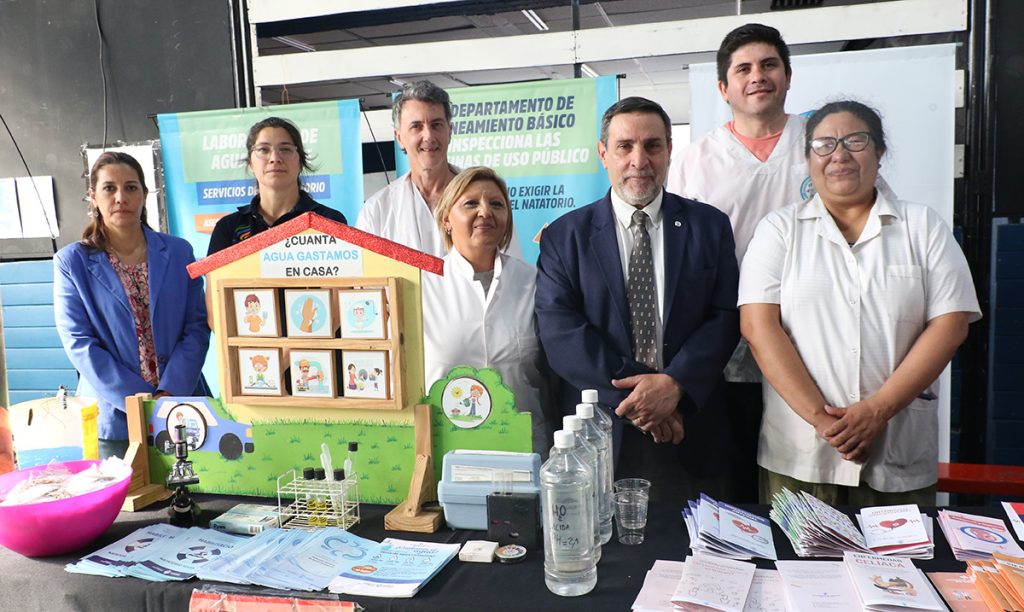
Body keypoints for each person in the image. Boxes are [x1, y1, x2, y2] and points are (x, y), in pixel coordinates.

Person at [739, 101, 981, 506]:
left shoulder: (922, 227)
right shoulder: (778, 230)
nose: (839, 155)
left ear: (879, 153)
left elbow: (950, 325)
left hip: (896, 453)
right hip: (802, 456)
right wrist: (821, 420)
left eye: (855, 141)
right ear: (808, 159)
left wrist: (877, 411)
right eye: (824, 144)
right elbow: (758, 328)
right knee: (796, 550)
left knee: (902, 550)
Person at [535, 98, 740, 501]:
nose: (639, 160)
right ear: (603, 154)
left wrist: (675, 386)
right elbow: (561, 334)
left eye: (652, 145)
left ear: (669, 150)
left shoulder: (709, 226)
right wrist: (645, 399)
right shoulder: (565, 236)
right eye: (625, 146)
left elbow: (725, 317)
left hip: (691, 424)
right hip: (598, 431)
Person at [666, 23, 807, 503]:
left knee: (801, 484)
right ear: (723, 88)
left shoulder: (820, 144)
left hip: (811, 339)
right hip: (726, 346)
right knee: (736, 481)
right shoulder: (695, 162)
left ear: (788, 76)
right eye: (743, 69)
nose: (757, 76)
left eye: (769, 65)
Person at [54, 152, 211, 459]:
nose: (120, 198)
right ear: (93, 197)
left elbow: (196, 327)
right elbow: (79, 342)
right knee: (127, 493)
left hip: (183, 406)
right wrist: (139, 401)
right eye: (109, 188)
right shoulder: (72, 262)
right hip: (115, 418)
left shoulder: (179, 252)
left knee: (199, 488)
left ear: (144, 194)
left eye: (130, 187)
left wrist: (168, 393)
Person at [422, 166, 554, 456]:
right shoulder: (421, 286)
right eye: (471, 203)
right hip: (446, 456)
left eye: (496, 204)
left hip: (524, 452)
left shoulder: (534, 282)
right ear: (446, 219)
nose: (485, 212)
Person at [206, 116, 348, 327]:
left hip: (317, 345)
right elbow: (216, 314)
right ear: (250, 163)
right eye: (263, 150)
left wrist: (296, 345)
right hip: (252, 346)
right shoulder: (228, 228)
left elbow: (340, 305)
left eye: (285, 149)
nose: (274, 158)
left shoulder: (329, 221)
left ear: (300, 161)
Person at [358, 80, 521, 258]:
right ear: (399, 137)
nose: (428, 136)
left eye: (436, 125)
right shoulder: (377, 210)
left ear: (449, 131)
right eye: (416, 126)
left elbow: (510, 265)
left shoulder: (487, 199)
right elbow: (364, 274)